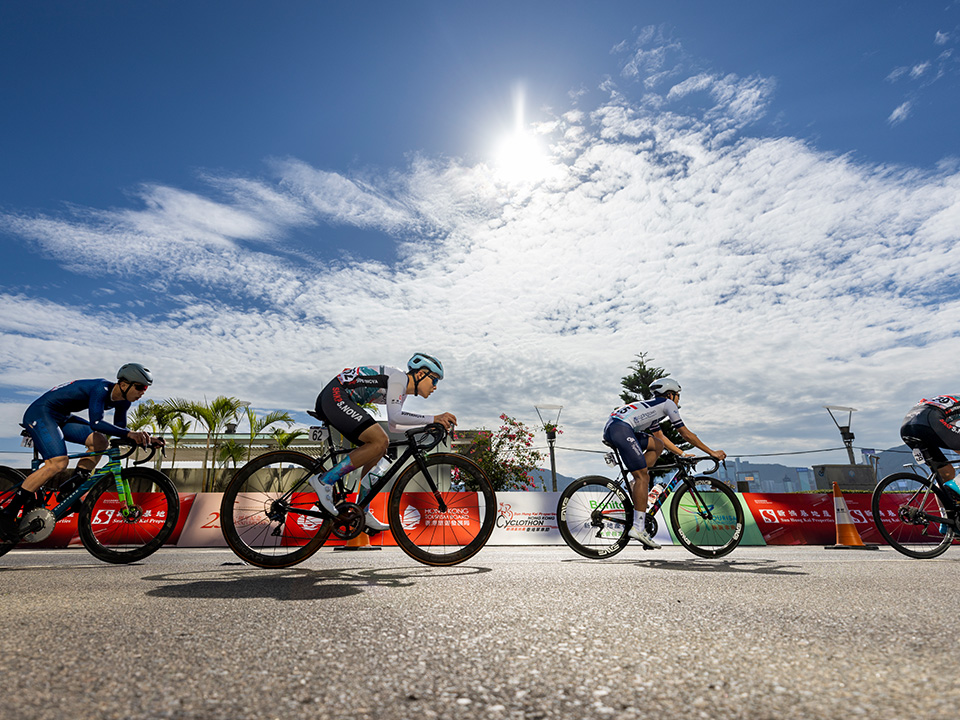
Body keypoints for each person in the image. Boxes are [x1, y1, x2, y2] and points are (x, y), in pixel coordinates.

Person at [0, 363, 161, 541]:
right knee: (58, 463)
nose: (142, 392)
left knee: (100, 442)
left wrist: (147, 438)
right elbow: (96, 423)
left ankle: (71, 487)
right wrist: (131, 434)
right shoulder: (101, 388)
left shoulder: (124, 402)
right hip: (41, 413)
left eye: (145, 389)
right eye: (140, 387)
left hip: (61, 416)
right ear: (123, 384)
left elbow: (120, 431)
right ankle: (8, 513)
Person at [311, 353, 457, 531]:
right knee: (380, 441)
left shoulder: (401, 392)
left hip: (338, 397)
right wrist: (433, 418)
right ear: (420, 374)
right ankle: (326, 480)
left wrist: (426, 426)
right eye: (434, 381)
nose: (435, 387)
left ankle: (363, 509)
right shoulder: (399, 378)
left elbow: (394, 425)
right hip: (336, 394)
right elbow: (396, 417)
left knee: (378, 447)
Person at [603, 377, 726, 549]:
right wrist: (711, 452)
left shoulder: (653, 410)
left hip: (616, 426)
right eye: (677, 396)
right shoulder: (668, 404)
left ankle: (635, 483)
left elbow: (661, 438)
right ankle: (638, 527)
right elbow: (685, 434)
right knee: (643, 477)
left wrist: (682, 454)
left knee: (657, 445)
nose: (678, 400)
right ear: (670, 395)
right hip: (621, 428)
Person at [900, 395, 960, 494]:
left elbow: (951, 434)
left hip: (907, 427)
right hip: (929, 420)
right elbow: (951, 435)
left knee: (946, 474)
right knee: (952, 482)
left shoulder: (952, 402)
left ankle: (944, 509)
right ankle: (957, 485)